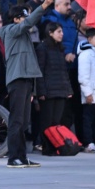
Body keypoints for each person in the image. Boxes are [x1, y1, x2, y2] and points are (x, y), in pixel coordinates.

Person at [1, 0, 54, 168]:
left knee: (24, 122)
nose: (28, 20)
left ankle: (22, 156)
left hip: (26, 79)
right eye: (24, 17)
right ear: (16, 19)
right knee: (16, 120)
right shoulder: (11, 31)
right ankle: (13, 157)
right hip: (17, 79)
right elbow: (30, 22)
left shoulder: (22, 35)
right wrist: (44, 6)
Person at [35, 22, 73, 155]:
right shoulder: (42, 48)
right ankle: (46, 147)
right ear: (50, 33)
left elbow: (64, 71)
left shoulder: (60, 49)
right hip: (49, 91)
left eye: (62, 31)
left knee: (57, 121)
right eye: (58, 32)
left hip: (61, 90)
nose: (62, 34)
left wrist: (68, 90)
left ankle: (55, 145)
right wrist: (41, 91)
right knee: (47, 122)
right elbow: (40, 71)